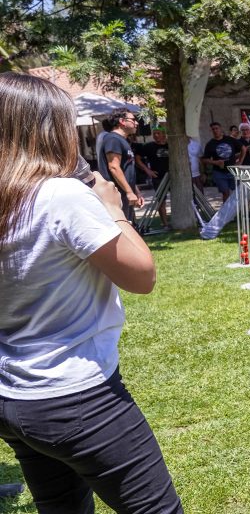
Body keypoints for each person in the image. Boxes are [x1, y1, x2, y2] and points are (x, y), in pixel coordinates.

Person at [0, 72, 183, 513]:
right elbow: (142, 277)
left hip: (13, 395)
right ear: (47, 129)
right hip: (76, 396)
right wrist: (113, 209)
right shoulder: (59, 196)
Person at [97, 108, 145, 222]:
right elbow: (114, 167)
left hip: (125, 193)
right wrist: (129, 192)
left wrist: (135, 192)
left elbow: (126, 169)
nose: (136, 123)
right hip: (116, 194)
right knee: (122, 228)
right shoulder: (112, 139)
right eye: (133, 120)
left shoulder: (123, 141)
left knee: (129, 225)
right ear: (122, 121)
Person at [201, 121, 242, 201]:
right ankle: (226, 212)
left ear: (221, 129)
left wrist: (240, 161)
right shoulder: (210, 144)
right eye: (213, 129)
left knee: (236, 192)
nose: (215, 130)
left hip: (232, 171)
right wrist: (215, 162)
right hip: (219, 172)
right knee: (225, 192)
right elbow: (204, 159)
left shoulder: (230, 140)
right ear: (211, 131)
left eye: (217, 128)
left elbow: (243, 148)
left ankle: (236, 210)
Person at [142, 129, 171, 227]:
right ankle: (165, 223)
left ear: (164, 134)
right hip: (158, 177)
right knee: (161, 200)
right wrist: (147, 170)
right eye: (154, 134)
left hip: (173, 176)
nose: (156, 135)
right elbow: (137, 158)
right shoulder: (149, 147)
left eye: (158, 133)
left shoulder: (171, 145)